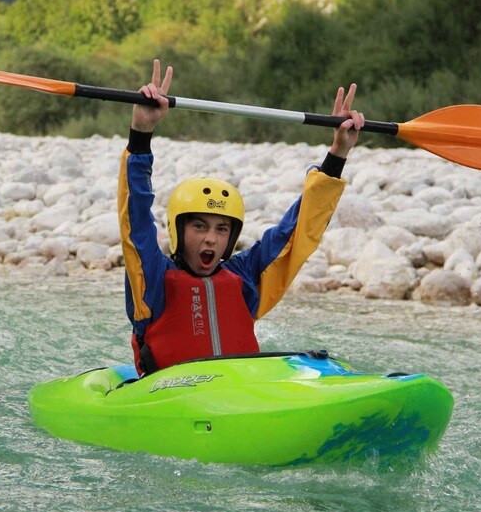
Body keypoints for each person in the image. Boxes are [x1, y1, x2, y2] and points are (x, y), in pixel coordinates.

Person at [119, 60, 364, 376]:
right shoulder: (151, 280)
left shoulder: (245, 278)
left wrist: (338, 153)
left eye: (222, 229)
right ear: (177, 230)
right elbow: (135, 218)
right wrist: (141, 133)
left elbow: (297, 233)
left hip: (241, 398)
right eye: (199, 226)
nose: (212, 238)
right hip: (171, 400)